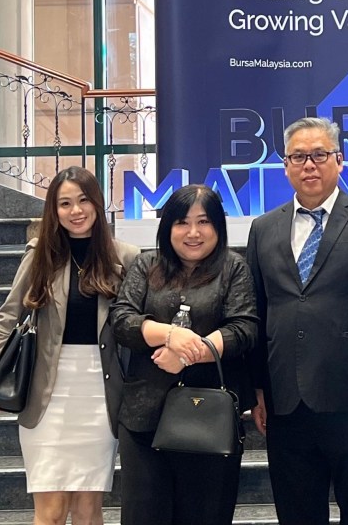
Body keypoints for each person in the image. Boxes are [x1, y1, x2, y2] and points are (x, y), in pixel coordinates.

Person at [246, 116, 348, 525]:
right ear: (285, 166)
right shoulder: (263, 228)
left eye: (319, 155)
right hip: (286, 399)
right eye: (298, 157)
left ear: (339, 160)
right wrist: (257, 387)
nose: (309, 165)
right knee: (297, 513)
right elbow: (256, 311)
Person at [0, 166, 139, 525]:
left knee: (88, 509)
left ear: (97, 202)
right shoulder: (40, 255)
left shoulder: (126, 257)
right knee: (51, 512)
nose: (76, 211)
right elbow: (7, 319)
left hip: (100, 393)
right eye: (65, 203)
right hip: (46, 392)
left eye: (83, 200)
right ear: (54, 210)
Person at [111, 184, 257, 525]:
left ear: (218, 227)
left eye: (203, 222)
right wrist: (171, 335)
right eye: (182, 222)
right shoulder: (146, 264)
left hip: (210, 421)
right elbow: (121, 320)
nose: (193, 232)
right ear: (168, 227)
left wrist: (188, 355)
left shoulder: (234, 268)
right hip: (144, 419)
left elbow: (244, 329)